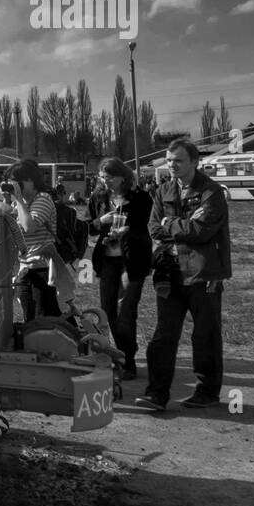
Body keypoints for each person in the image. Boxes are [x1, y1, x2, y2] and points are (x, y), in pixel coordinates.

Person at [136, 140, 231, 413]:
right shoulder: (163, 190)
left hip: (203, 274)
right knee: (163, 335)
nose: (171, 165)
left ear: (194, 162)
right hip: (170, 273)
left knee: (205, 336)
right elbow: (154, 228)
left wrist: (170, 224)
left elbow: (203, 231)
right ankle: (156, 394)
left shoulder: (211, 192)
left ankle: (207, 391)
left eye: (178, 160)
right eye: (169, 160)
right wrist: (177, 225)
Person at [88, 157, 153, 379]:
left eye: (110, 178)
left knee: (126, 311)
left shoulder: (141, 198)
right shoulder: (98, 197)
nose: (106, 182)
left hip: (131, 261)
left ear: (123, 177)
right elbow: (90, 228)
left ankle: (128, 361)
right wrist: (101, 222)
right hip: (107, 261)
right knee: (108, 312)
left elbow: (143, 225)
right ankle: (120, 355)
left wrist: (125, 231)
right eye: (102, 177)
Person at [2, 159, 62, 320]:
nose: (13, 186)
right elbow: (5, 229)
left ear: (30, 180)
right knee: (30, 317)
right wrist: (7, 201)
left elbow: (29, 227)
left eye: (16, 181)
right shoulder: (19, 204)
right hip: (25, 267)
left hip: (43, 268)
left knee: (44, 317)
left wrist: (19, 200)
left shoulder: (43, 199)